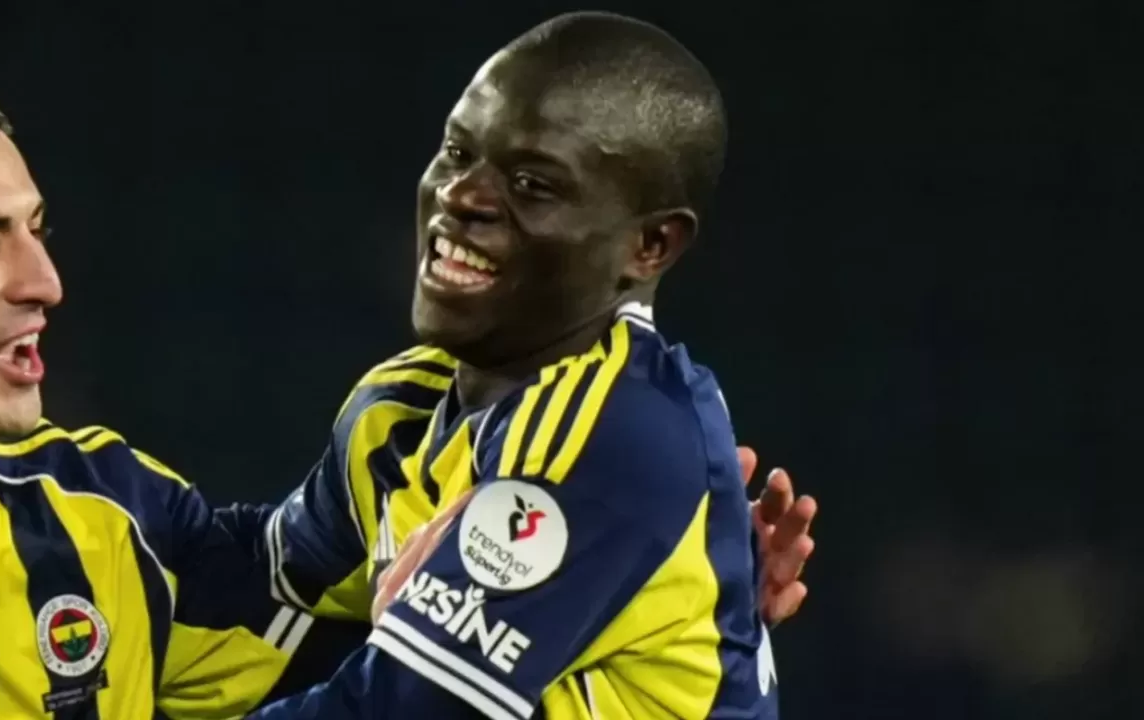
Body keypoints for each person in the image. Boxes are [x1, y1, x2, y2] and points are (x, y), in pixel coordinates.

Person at [0, 66, 813, 718]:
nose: (44, 282)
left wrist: (645, 601)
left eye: (37, 232)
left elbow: (306, 621)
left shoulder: (92, 510)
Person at [250, 11, 803, 720]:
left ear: (651, 245)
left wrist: (410, 653)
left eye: (533, 184)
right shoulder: (401, 411)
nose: (460, 195)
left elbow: (396, 709)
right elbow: (247, 588)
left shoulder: (618, 436)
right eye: (457, 152)